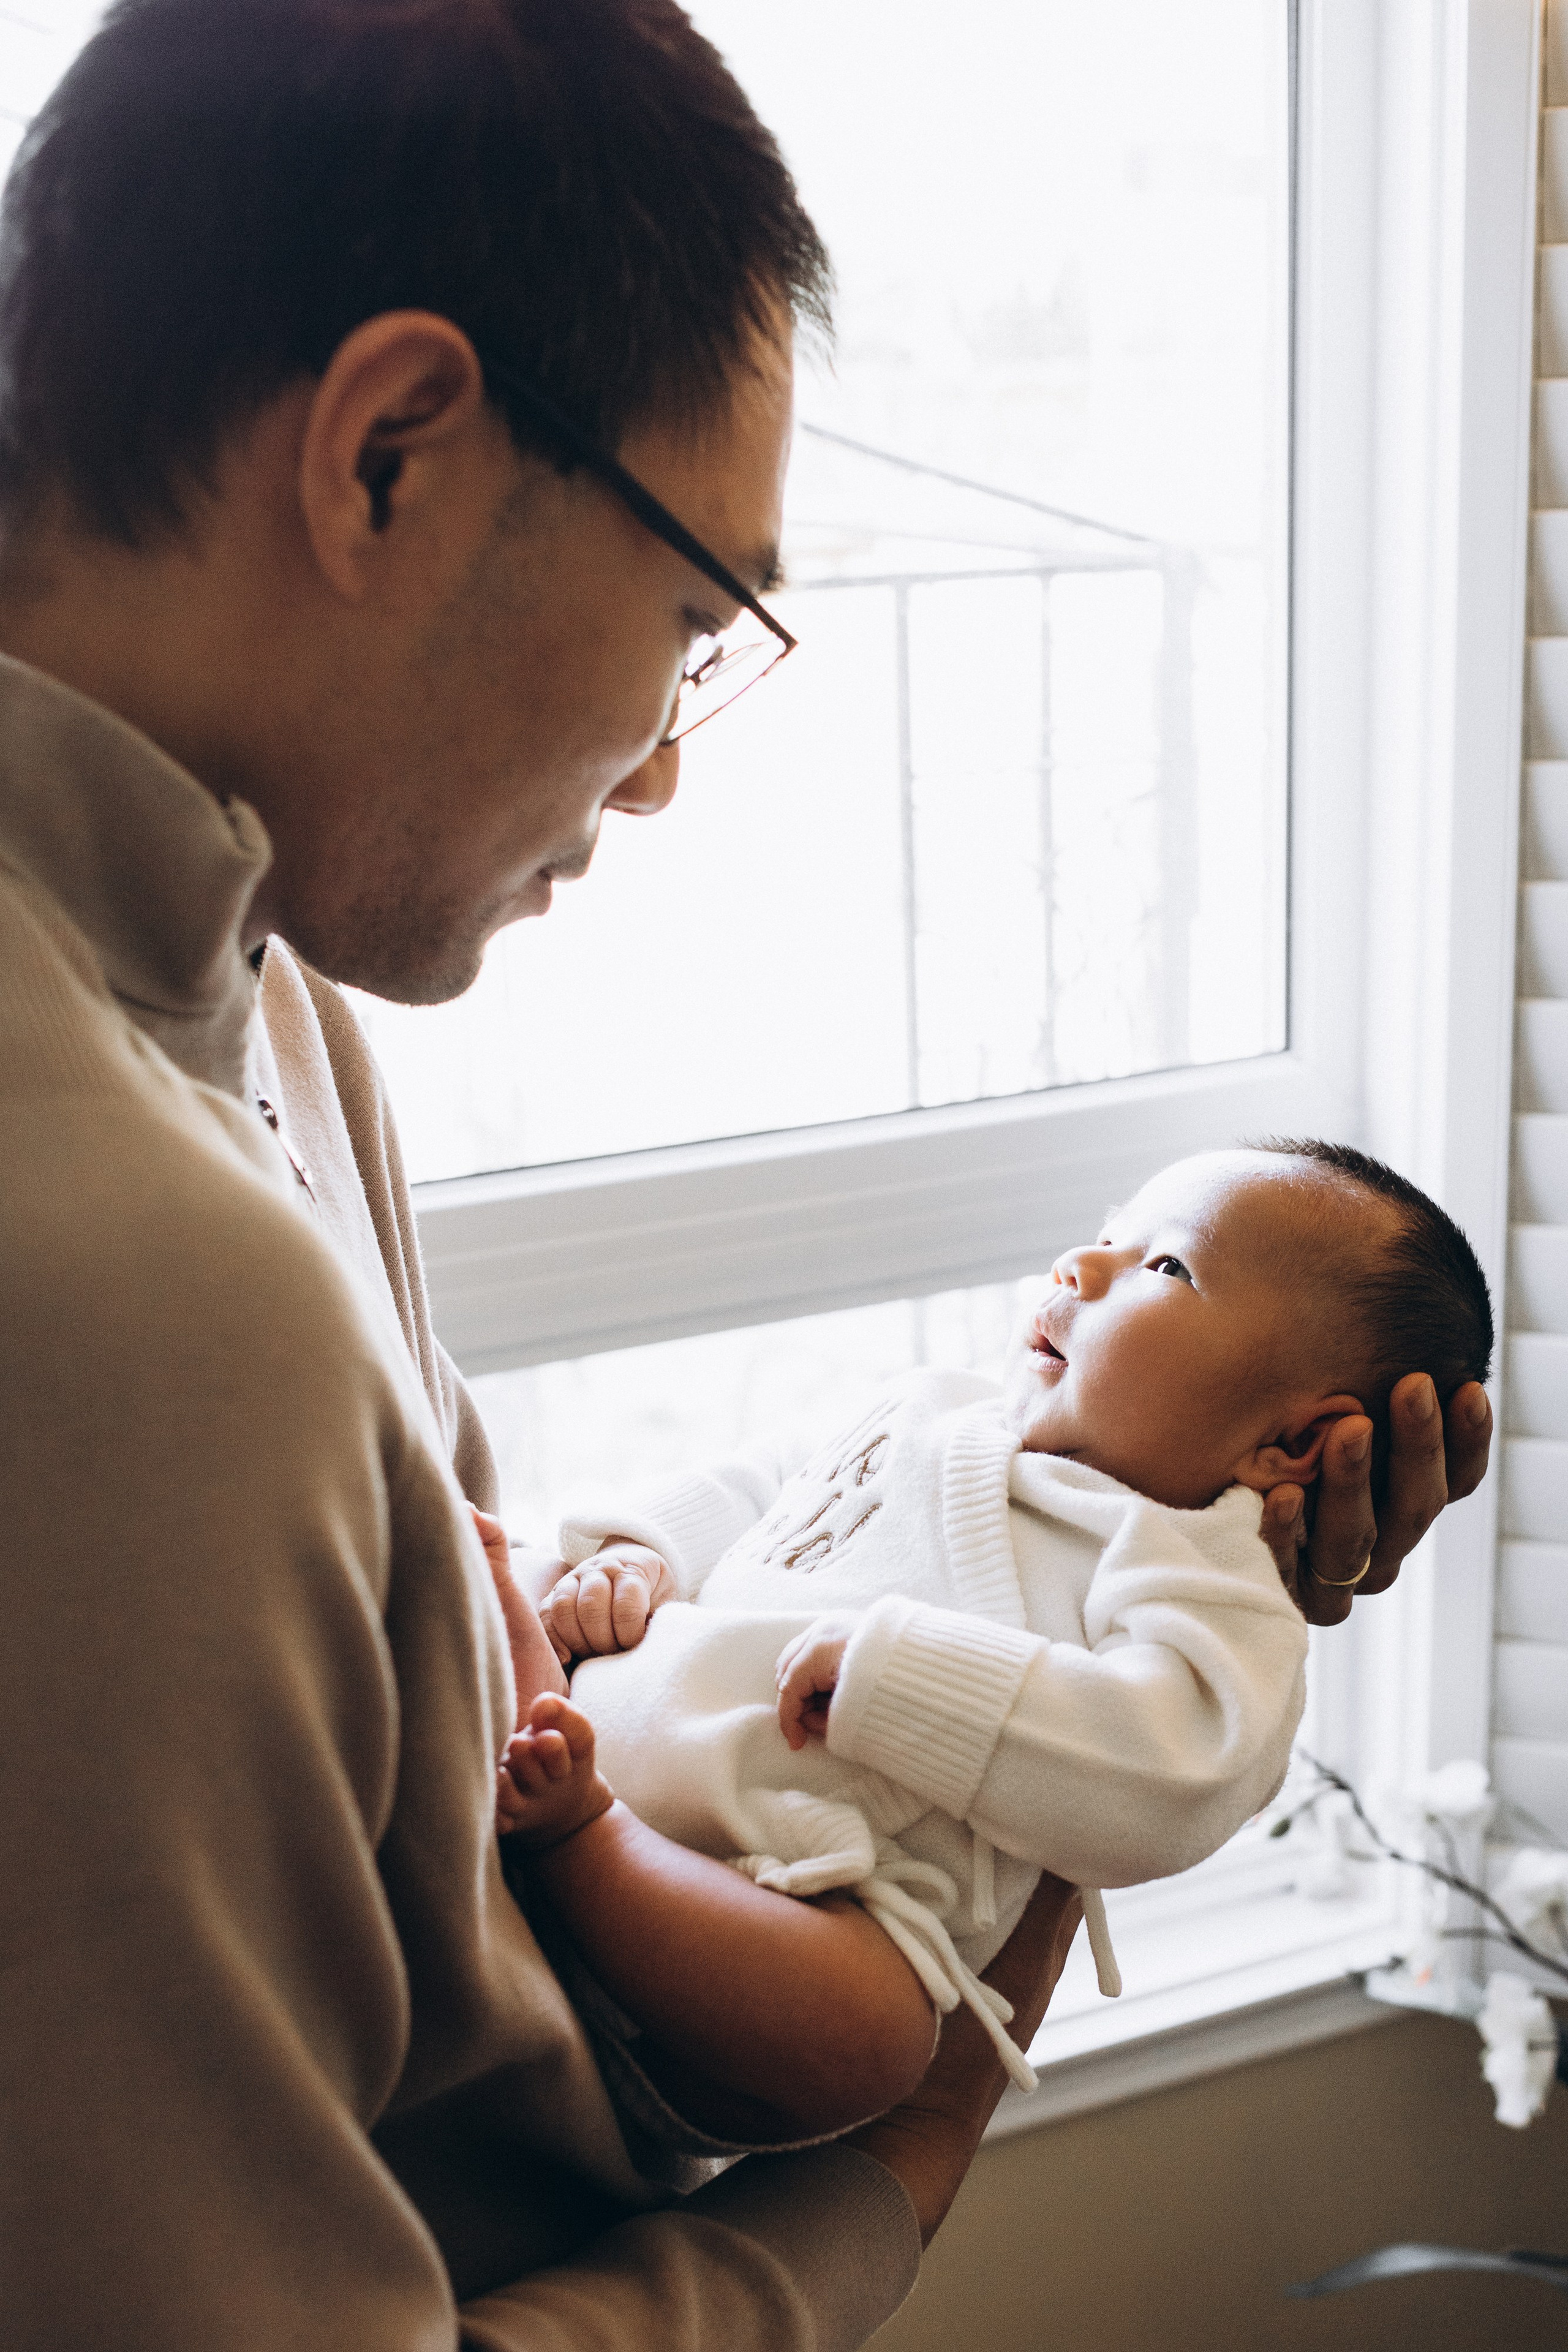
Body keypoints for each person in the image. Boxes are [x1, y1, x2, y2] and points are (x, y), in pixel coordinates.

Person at [0, 0, 1493, 2344]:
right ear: (391, 454)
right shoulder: (115, 1273)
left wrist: (1149, 1527)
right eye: (702, 613)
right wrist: (883, 2184)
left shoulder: (270, 1006)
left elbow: (411, 1738)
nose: (663, 768)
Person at [483, 1140, 1493, 2155]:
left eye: (1165, 1266)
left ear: (1293, 1443)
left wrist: (905, 1678)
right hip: (613, 1694)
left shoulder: (1194, 1563)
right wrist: (641, 1553)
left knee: (877, 2037)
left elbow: (1189, 1760)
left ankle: (580, 1842)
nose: (1079, 1266)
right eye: (1105, 1236)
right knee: (513, 1561)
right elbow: (766, 1480)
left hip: (764, 1894)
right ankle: (539, 1719)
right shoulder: (935, 1404)